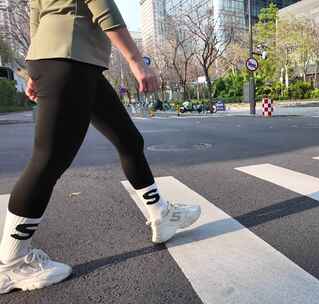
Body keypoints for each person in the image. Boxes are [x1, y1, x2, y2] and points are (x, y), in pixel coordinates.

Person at [0, 0, 201, 294]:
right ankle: (11, 263)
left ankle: (160, 213)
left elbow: (36, 15)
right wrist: (135, 59)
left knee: (129, 140)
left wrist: (34, 69)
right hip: (70, 60)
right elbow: (102, 5)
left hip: (74, 62)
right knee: (49, 160)